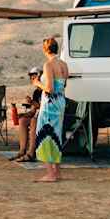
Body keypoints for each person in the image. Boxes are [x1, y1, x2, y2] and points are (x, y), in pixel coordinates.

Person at [30, 37, 69, 182]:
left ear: (45, 49)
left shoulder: (48, 65)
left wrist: (37, 83)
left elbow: (50, 89)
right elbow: (63, 86)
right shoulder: (64, 65)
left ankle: (50, 174)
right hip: (61, 102)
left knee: (44, 134)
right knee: (56, 135)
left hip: (50, 104)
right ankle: (57, 172)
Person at [10, 67, 42, 162]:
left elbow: (44, 107)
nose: (32, 80)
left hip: (47, 116)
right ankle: (22, 151)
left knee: (33, 121)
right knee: (23, 120)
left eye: (34, 77)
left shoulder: (46, 89)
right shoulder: (36, 92)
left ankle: (31, 153)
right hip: (38, 116)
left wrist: (32, 102)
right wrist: (24, 115)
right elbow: (33, 111)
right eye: (31, 78)